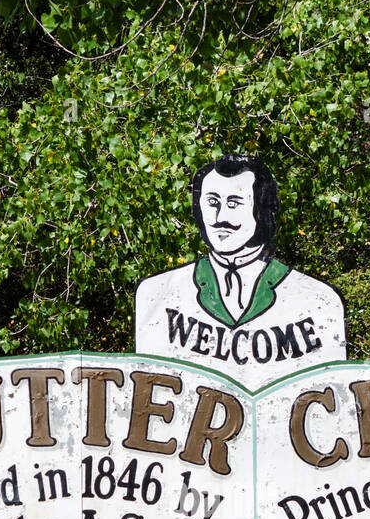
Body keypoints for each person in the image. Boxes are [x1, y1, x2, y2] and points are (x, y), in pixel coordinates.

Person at [134, 154, 347, 385]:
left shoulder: (318, 300)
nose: (220, 218)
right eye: (212, 202)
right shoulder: (156, 294)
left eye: (234, 203)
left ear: (260, 207)